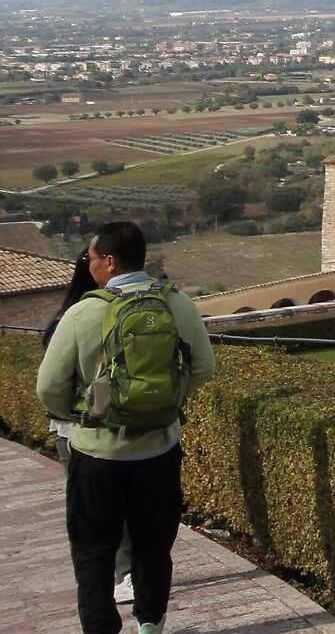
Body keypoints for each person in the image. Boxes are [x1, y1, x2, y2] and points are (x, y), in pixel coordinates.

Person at [36, 220, 216, 634]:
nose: (90, 265)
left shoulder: (83, 312)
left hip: (97, 452)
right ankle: (150, 625)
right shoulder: (178, 303)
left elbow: (49, 387)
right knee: (153, 546)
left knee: (93, 549)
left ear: (110, 262)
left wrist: (79, 415)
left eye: (91, 258)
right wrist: (166, 404)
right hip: (158, 449)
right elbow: (204, 366)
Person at [43, 250, 134, 609]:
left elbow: (50, 385)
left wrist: (66, 413)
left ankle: (102, 583)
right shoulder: (128, 309)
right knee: (124, 504)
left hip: (74, 429)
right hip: (123, 424)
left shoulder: (69, 317)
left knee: (88, 513)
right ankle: (128, 573)